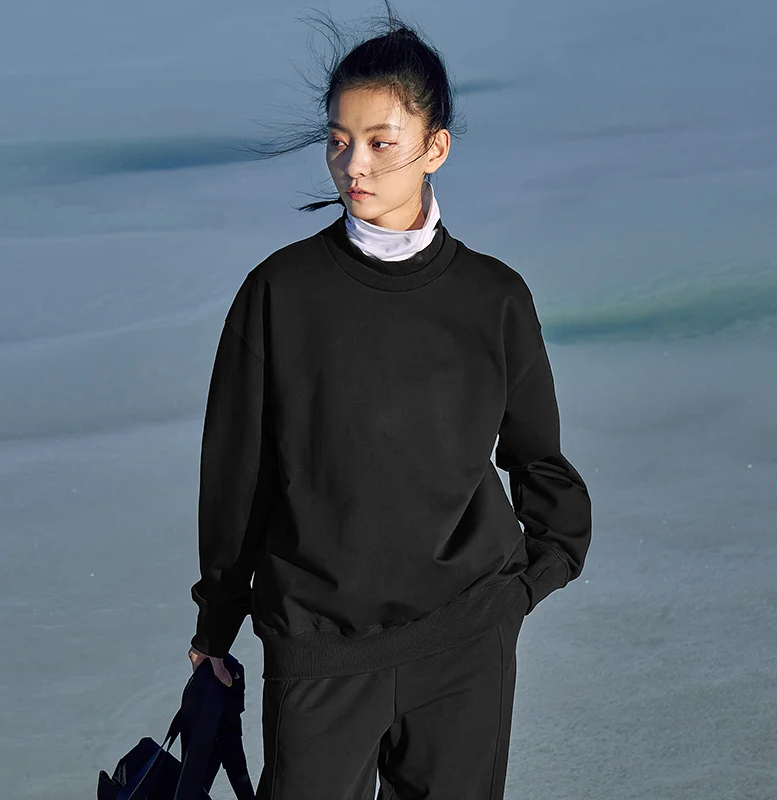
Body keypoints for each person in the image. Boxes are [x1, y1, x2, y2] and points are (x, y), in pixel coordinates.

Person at [187, 3, 592, 798]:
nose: (354, 167)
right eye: (339, 142)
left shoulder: (494, 297)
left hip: (466, 644)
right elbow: (236, 478)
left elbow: (539, 462)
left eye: (380, 142)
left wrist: (525, 588)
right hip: (319, 655)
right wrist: (216, 626)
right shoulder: (280, 293)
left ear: (435, 148)